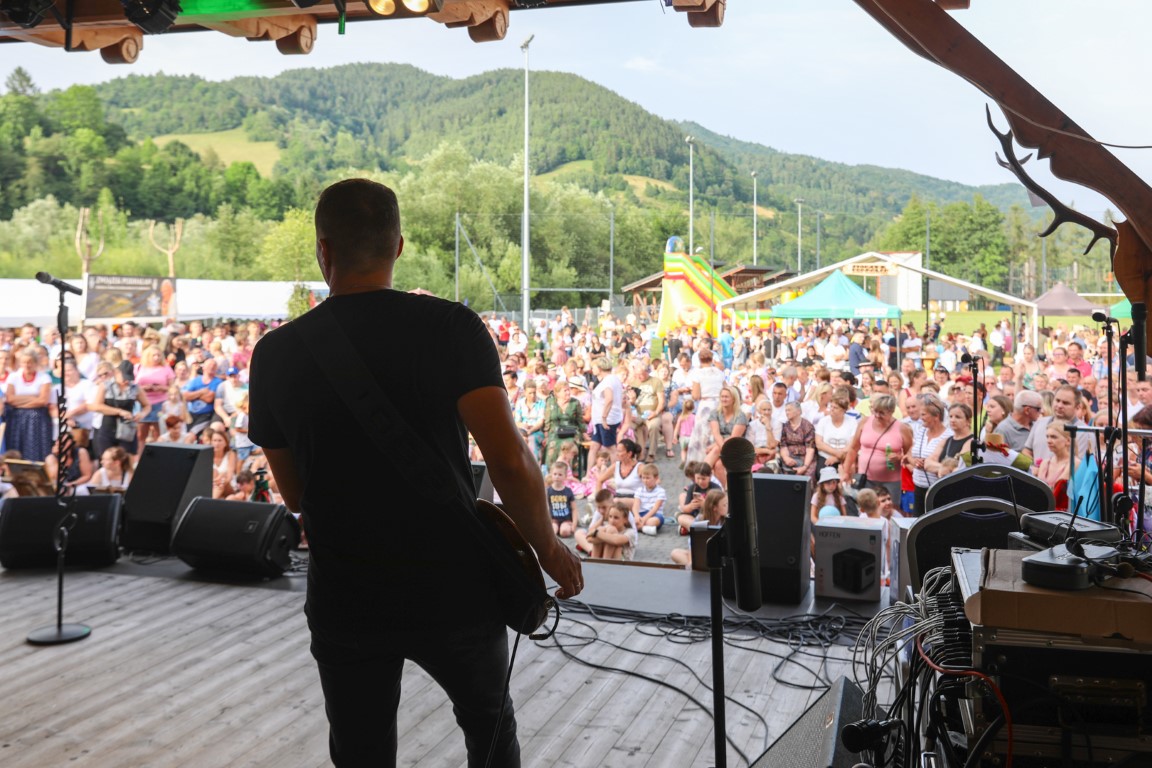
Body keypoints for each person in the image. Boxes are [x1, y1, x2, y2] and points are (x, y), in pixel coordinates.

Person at [248, 178, 580, 767]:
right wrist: (549, 550)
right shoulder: (452, 328)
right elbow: (508, 458)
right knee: (489, 727)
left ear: (323, 249)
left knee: (362, 750)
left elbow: (295, 494)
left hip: (348, 592)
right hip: (453, 584)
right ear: (398, 247)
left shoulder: (275, 354)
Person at [670, 489, 728, 567]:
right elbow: (693, 542)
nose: (727, 507)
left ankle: (697, 567)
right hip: (701, 553)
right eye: (724, 505)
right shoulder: (700, 520)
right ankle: (695, 565)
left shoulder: (725, 522)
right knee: (675, 553)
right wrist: (691, 561)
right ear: (714, 508)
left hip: (718, 557)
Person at [632, 462, 667, 535]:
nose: (645, 480)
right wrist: (637, 516)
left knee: (655, 521)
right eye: (643, 478)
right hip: (641, 513)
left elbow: (655, 508)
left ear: (656, 478)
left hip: (654, 514)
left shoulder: (661, 491)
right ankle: (643, 528)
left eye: (648, 478)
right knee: (629, 519)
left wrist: (644, 519)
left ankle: (638, 527)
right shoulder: (639, 490)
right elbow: (635, 506)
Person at [546, 461, 577, 538]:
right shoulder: (548, 491)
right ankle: (556, 528)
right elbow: (546, 508)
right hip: (553, 520)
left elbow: (574, 509)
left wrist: (574, 524)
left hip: (566, 520)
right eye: (555, 474)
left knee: (564, 532)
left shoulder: (568, 491)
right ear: (551, 474)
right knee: (552, 532)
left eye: (560, 475)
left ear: (565, 476)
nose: (557, 476)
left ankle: (564, 528)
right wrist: (547, 522)